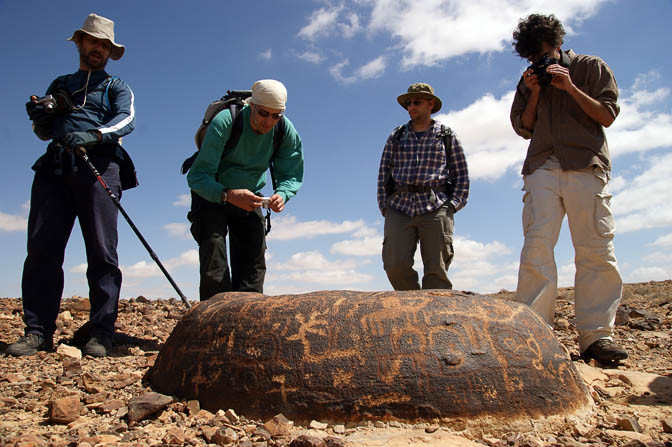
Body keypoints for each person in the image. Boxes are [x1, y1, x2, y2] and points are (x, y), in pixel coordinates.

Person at [7, 14, 136, 358]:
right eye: (93, 41)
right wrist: (42, 119)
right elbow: (45, 133)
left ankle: (102, 333)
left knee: (102, 253)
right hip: (56, 166)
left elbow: (126, 120)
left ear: (110, 51)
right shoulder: (60, 83)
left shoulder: (116, 87)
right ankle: (38, 332)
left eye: (105, 44)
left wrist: (94, 134)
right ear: (79, 43)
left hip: (100, 166)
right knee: (42, 250)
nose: (98, 48)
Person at [510, 13, 627, 363]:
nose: (539, 63)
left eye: (544, 55)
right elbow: (524, 128)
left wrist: (569, 87)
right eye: (532, 58)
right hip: (542, 165)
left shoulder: (590, 67)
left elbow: (606, 115)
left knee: (595, 248)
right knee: (537, 246)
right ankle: (534, 335)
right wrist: (534, 93)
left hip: (584, 164)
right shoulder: (528, 80)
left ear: (558, 45)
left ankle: (596, 338)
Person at [187, 80, 304, 300]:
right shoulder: (225, 122)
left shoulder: (284, 129)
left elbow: (291, 173)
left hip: (251, 197)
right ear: (251, 106)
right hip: (213, 194)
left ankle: (246, 328)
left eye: (276, 115)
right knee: (216, 266)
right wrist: (227, 194)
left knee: (253, 266)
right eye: (263, 113)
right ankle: (215, 330)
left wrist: (283, 194)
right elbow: (197, 176)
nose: (269, 121)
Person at [377, 83, 469, 290]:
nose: (411, 107)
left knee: (437, 270)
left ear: (431, 104)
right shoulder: (396, 135)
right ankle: (411, 310)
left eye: (417, 102)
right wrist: (385, 206)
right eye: (408, 103)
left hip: (436, 207)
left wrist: (452, 205)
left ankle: (436, 317)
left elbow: (461, 173)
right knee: (394, 265)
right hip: (399, 207)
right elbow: (384, 172)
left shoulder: (446, 135)